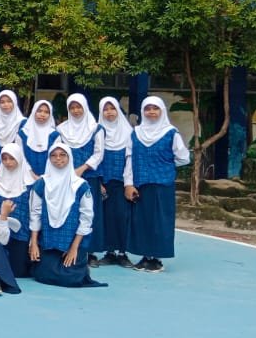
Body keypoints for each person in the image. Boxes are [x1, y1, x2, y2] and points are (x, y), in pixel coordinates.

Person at [124, 96, 190, 273]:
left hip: (162, 185)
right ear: (143, 112)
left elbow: (184, 158)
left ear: (162, 111)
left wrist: (164, 166)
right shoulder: (135, 133)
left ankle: (157, 259)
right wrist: (128, 183)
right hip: (141, 184)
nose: (151, 112)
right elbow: (129, 159)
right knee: (142, 220)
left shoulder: (171, 133)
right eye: (147, 109)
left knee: (160, 221)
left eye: (155, 108)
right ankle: (146, 256)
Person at [28, 143, 106, 288]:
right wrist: (33, 243)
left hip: (72, 241)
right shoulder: (42, 183)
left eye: (62, 155)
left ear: (69, 158)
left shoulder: (81, 185)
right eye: (54, 155)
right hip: (49, 242)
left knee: (71, 279)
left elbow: (86, 218)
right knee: (42, 275)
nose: (58, 159)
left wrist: (74, 247)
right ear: (49, 159)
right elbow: (35, 214)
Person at [58, 93, 106, 267]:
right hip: (67, 178)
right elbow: (59, 151)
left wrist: (82, 168)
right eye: (72, 107)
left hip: (89, 177)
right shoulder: (61, 129)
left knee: (90, 213)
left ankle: (90, 252)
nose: (76, 110)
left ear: (85, 107)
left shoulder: (96, 129)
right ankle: (70, 248)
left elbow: (99, 153)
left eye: (78, 107)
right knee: (70, 212)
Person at [98, 97, 135, 268]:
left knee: (122, 216)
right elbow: (96, 158)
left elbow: (130, 160)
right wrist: (99, 182)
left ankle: (122, 253)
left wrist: (129, 183)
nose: (109, 112)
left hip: (122, 183)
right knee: (106, 217)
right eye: (105, 109)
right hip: (104, 183)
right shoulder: (97, 132)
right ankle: (109, 252)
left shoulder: (128, 133)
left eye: (112, 108)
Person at [0, 142, 35, 278]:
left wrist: (33, 239)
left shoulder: (29, 184)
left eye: (12, 158)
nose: (8, 162)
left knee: (18, 272)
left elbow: (34, 212)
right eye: (4, 159)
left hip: (21, 234)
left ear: (19, 158)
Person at [19, 99, 59, 177]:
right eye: (39, 111)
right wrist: (31, 174)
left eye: (46, 112)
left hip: (49, 177)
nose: (42, 114)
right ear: (34, 112)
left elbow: (56, 158)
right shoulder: (22, 134)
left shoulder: (54, 135)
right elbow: (20, 156)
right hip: (25, 175)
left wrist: (44, 177)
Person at [0, 90, 24, 165]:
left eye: (9, 101)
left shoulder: (22, 123)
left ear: (14, 102)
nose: (6, 104)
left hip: (17, 165)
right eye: (2, 102)